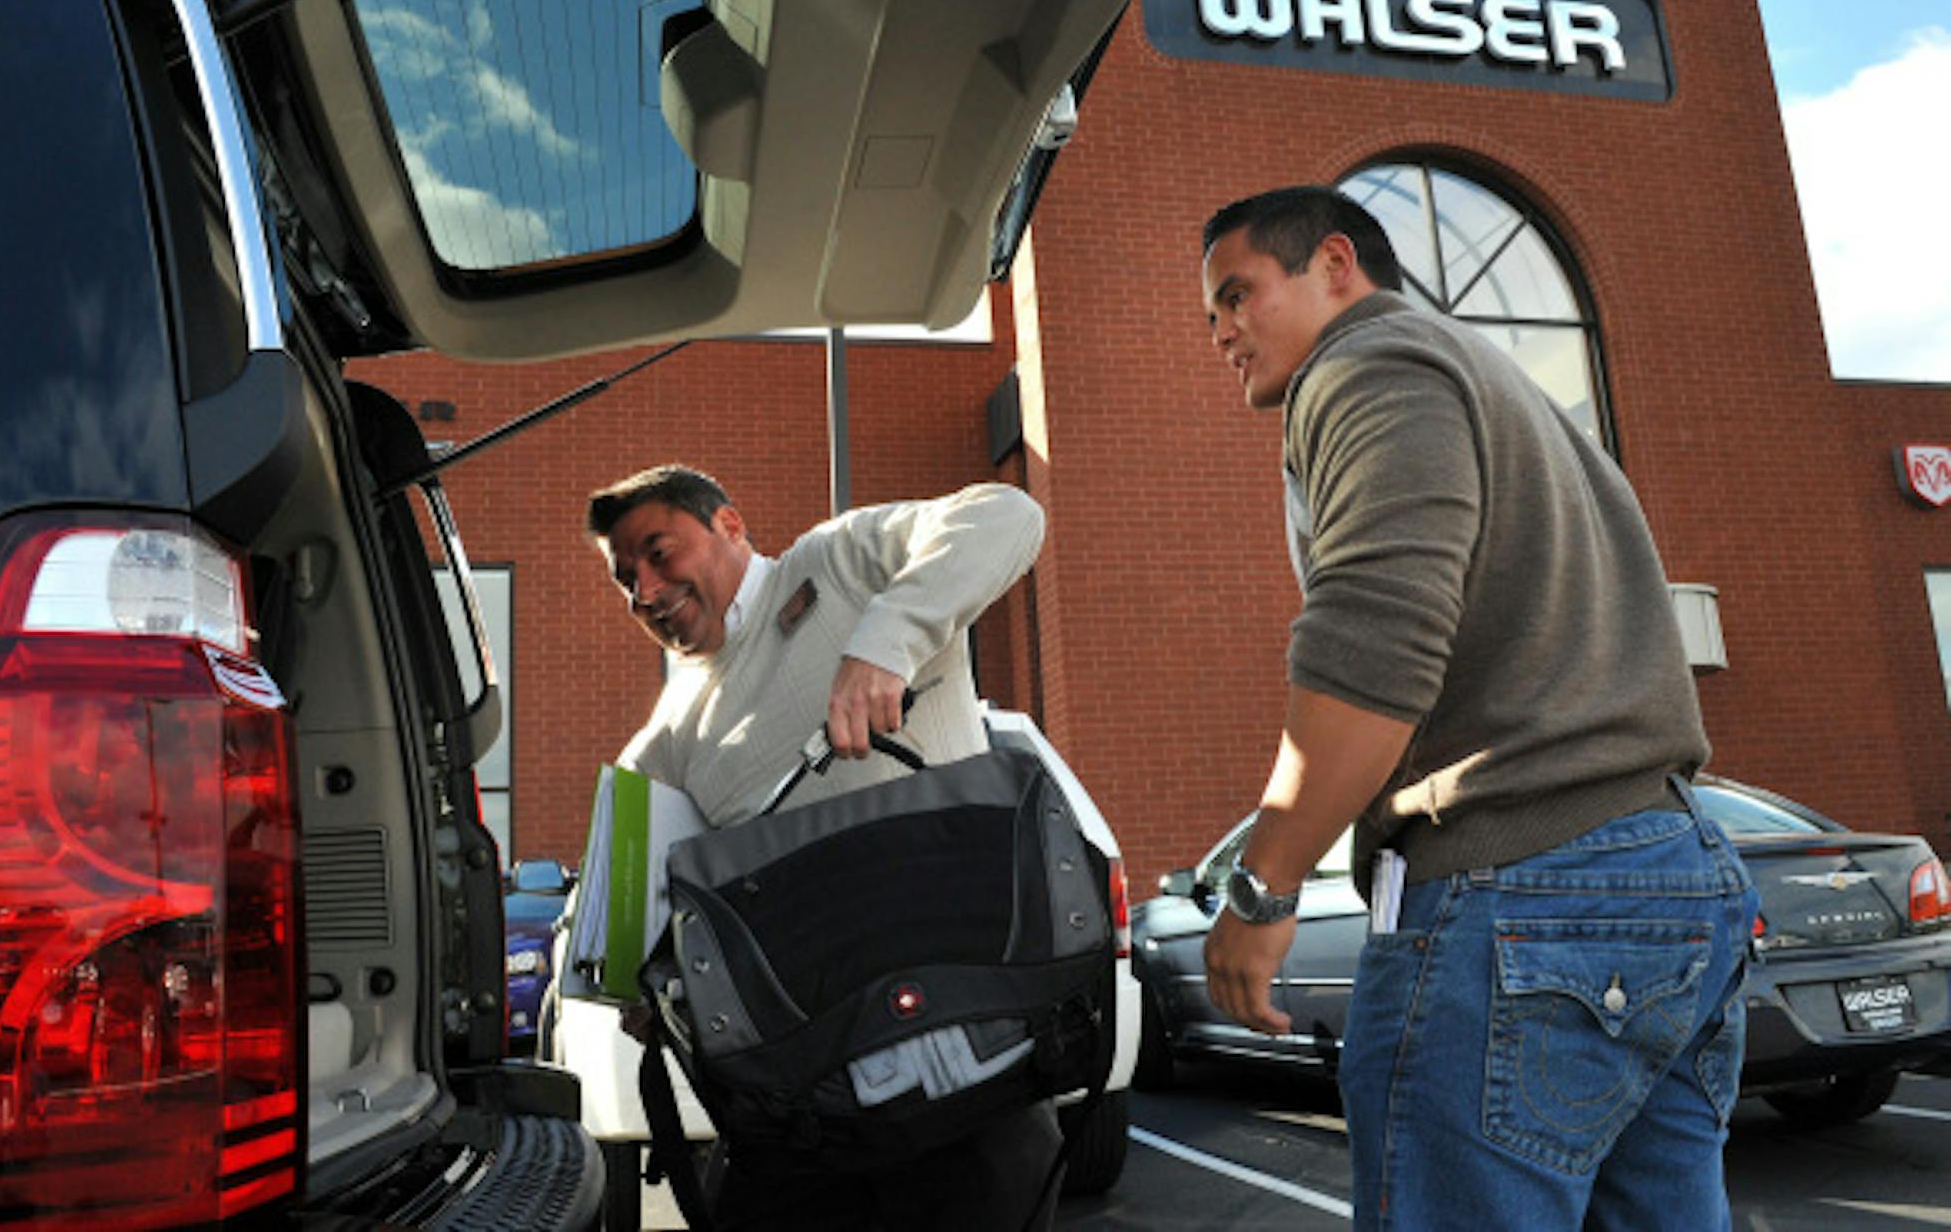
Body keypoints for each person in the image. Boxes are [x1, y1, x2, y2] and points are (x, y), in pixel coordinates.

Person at [1195, 186, 1756, 1229]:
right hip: (1677, 875)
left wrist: (1263, 887)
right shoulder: (1495, 383)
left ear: (1332, 264)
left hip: (1522, 899)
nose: (1220, 329)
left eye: (1237, 294)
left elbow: (1376, 637)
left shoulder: (1367, 364)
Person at [586, 464, 1056, 1231]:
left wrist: (888, 641)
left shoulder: (838, 562)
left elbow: (1007, 515)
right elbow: (646, 923)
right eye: (624, 577)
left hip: (971, 1059)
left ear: (730, 525)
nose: (643, 589)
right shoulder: (662, 741)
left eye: (658, 552)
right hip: (807, 1098)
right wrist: (646, 983)